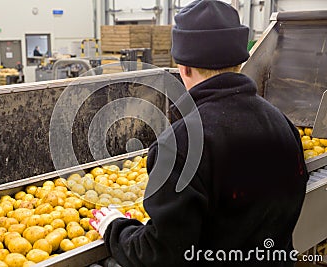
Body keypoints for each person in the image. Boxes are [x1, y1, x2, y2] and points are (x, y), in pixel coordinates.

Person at [90, 1, 308, 266]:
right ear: (240, 60)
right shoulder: (284, 126)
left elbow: (161, 255)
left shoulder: (182, 145)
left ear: (183, 67)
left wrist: (115, 227)